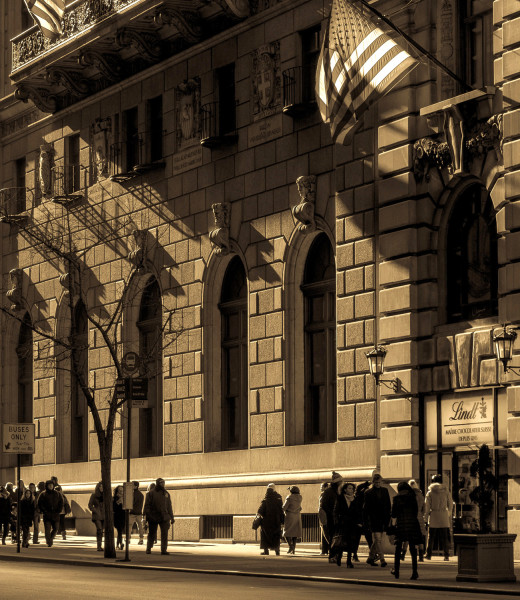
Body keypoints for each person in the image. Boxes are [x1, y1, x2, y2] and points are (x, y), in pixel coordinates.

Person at [390, 481, 422, 580]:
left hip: (401, 525)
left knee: (398, 548)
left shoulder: (396, 499)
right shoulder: (412, 497)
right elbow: (416, 511)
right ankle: (414, 572)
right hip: (412, 525)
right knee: (413, 549)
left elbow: (394, 514)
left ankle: (397, 571)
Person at [363, 473, 391, 567]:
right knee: (378, 539)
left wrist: (388, 518)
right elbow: (366, 508)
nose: (378, 484)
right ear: (373, 482)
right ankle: (382, 559)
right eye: (376, 482)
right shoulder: (368, 493)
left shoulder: (385, 491)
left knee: (377, 540)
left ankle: (370, 558)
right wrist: (366, 521)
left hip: (383, 519)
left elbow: (388, 505)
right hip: (373, 519)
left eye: (379, 482)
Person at [332, 482, 362, 568]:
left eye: (352, 488)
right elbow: (336, 510)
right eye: (349, 488)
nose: (351, 490)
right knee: (342, 542)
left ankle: (349, 561)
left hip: (352, 524)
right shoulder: (340, 498)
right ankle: (339, 557)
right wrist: (337, 521)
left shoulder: (355, 499)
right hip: (342, 523)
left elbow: (358, 512)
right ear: (345, 489)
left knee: (350, 542)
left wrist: (359, 522)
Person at [424, 474, 452, 561]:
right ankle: (446, 555)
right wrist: (448, 514)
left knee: (431, 537)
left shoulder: (430, 492)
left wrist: (426, 518)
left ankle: (428, 554)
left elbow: (427, 507)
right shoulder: (446, 491)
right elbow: (450, 503)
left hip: (434, 515)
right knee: (444, 537)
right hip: (443, 515)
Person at [144, 478, 174, 555]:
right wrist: (147, 516)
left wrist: (171, 517)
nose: (163, 484)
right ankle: (148, 548)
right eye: (161, 483)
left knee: (164, 534)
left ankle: (163, 550)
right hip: (153, 516)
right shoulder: (151, 493)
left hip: (164, 516)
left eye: (164, 483)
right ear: (157, 483)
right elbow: (147, 506)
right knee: (152, 533)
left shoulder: (166, 493)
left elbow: (169, 506)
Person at [319, 471, 343, 563]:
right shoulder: (329, 492)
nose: (342, 483)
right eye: (341, 481)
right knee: (332, 537)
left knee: (337, 538)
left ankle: (335, 555)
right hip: (330, 518)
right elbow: (324, 506)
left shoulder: (339, 491)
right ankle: (332, 555)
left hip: (338, 518)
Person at [257, 483, 284, 556]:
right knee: (276, 536)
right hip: (276, 521)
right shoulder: (278, 498)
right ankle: (277, 551)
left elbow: (260, 511)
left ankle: (266, 551)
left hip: (266, 522)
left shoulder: (266, 499)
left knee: (265, 535)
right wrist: (282, 520)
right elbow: (281, 510)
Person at [37, 479, 64, 547]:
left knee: (56, 528)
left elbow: (61, 502)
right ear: (47, 486)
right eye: (49, 485)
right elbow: (40, 503)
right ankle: (49, 542)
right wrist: (44, 511)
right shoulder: (43, 494)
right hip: (47, 515)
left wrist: (59, 510)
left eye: (52, 485)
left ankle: (50, 539)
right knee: (47, 529)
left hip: (56, 514)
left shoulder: (57, 494)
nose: (51, 486)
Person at [353, 481, 373, 562]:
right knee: (357, 539)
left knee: (369, 539)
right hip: (359, 522)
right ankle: (354, 555)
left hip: (365, 522)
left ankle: (371, 555)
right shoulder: (358, 499)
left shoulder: (367, 499)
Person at [282, 485, 302, 554]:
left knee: (286, 533)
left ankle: (291, 547)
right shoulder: (300, 497)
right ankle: (293, 549)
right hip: (297, 516)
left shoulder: (289, 497)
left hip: (289, 516)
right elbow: (300, 507)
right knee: (295, 533)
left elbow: (284, 507)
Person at [88, 481, 104, 552]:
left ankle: (103, 546)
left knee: (103, 531)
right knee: (99, 530)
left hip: (104, 515)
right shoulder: (94, 495)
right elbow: (90, 505)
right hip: (97, 515)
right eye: (100, 486)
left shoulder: (107, 495)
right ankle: (99, 546)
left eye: (103, 486)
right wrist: (95, 510)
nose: (101, 488)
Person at [129, 481, 145, 545]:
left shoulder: (132, 494)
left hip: (132, 512)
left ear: (135, 486)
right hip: (139, 512)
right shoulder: (141, 495)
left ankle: (128, 539)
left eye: (132, 485)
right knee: (140, 526)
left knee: (129, 526)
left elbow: (131, 503)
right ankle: (141, 539)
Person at [318, 483, 329, 555]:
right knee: (325, 532)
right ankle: (324, 550)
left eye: (322, 487)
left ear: (326, 487)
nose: (320, 488)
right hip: (324, 515)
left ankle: (324, 550)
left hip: (324, 515)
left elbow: (321, 505)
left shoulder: (324, 494)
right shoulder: (324, 494)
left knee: (325, 532)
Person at [113, 485, 125, 550]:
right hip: (117, 516)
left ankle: (117, 544)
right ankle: (121, 543)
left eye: (122, 490)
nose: (121, 491)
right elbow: (113, 507)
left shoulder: (125, 498)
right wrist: (118, 502)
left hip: (123, 516)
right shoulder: (115, 498)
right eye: (120, 490)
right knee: (119, 530)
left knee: (120, 531)